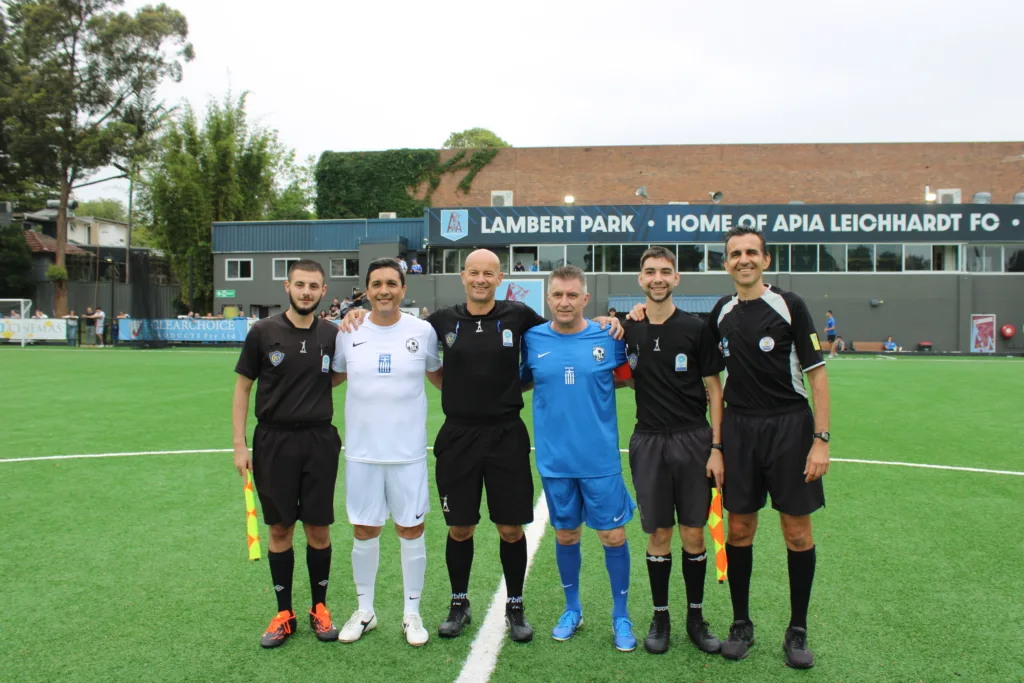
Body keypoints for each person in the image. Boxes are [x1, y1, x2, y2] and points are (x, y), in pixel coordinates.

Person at [341, 249, 623, 644]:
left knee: (510, 528)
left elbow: (564, 328)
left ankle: (515, 605)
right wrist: (352, 313)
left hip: (507, 434)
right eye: (473, 272)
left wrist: (602, 322)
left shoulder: (519, 316)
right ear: (463, 276)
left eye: (488, 273)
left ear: (499, 277)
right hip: (458, 437)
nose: (480, 279)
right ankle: (459, 603)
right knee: (460, 527)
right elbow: (401, 336)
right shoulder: (439, 322)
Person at [708, 225, 830, 669]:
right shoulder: (720, 311)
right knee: (740, 530)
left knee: (797, 532)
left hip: (790, 429)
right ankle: (741, 623)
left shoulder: (789, 305)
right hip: (740, 431)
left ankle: (797, 630)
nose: (743, 259)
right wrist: (717, 444)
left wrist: (820, 440)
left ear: (766, 260)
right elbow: (711, 380)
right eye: (735, 253)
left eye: (751, 252)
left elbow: (817, 375)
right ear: (726, 263)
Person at [520, 265, 637, 652]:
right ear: (548, 299)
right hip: (555, 461)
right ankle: (573, 609)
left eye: (572, 295)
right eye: (558, 295)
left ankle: (621, 616)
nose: (564, 302)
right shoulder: (532, 340)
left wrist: (626, 319)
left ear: (585, 298)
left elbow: (626, 378)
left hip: (600, 459)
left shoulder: (608, 336)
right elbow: (520, 380)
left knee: (613, 535)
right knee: (566, 533)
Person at [232, 258, 343, 649]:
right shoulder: (263, 332)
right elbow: (243, 388)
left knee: (318, 528)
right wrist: (240, 445)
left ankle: (319, 607)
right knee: (280, 528)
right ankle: (284, 613)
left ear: (323, 291)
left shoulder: (332, 334)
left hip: (319, 441)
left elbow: (339, 372)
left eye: (314, 286)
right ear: (287, 287)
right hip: (273, 442)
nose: (306, 292)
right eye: (300, 285)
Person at [332, 258, 443, 647]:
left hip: (407, 454)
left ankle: (411, 613)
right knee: (364, 530)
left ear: (403, 289)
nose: (384, 290)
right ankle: (366, 611)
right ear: (366, 289)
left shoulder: (423, 331)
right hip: (362, 453)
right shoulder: (348, 331)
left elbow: (440, 377)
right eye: (376, 284)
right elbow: (331, 377)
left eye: (391, 283)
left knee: (410, 529)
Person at [621, 246, 725, 655]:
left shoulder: (697, 329)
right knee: (659, 532)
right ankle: (660, 616)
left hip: (693, 438)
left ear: (677, 278)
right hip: (648, 440)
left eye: (666, 271)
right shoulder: (627, 327)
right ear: (640, 279)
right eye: (650, 272)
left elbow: (716, 391)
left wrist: (717, 447)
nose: (658, 278)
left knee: (694, 533)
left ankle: (695, 617)